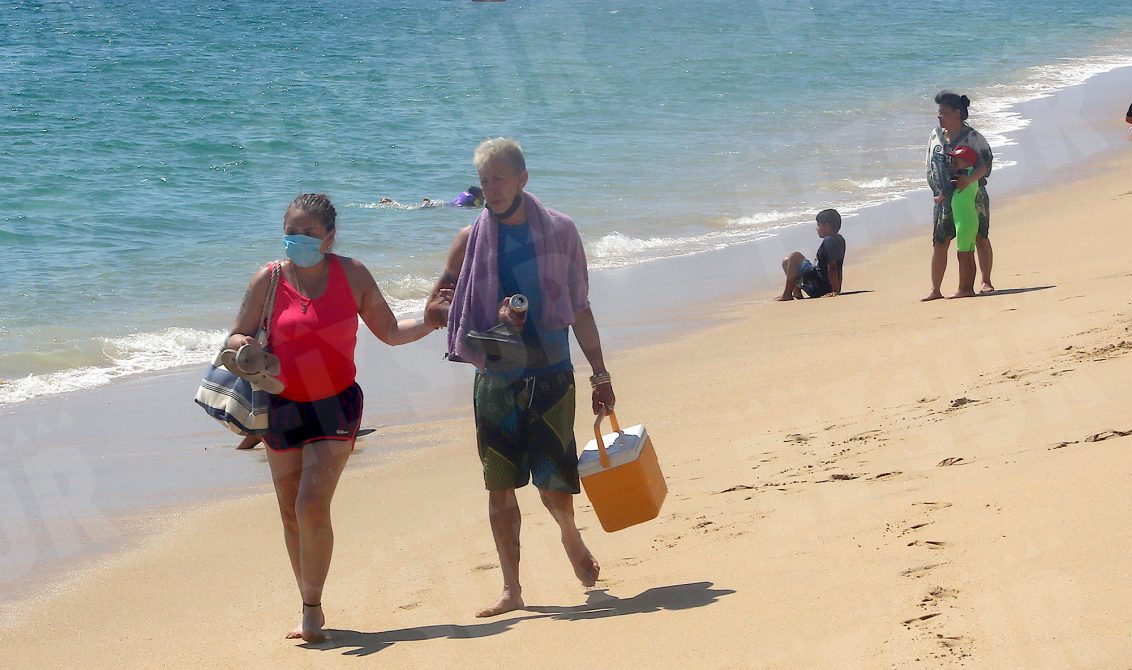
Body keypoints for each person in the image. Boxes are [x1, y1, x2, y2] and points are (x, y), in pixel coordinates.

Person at [226, 193, 440, 642]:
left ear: (330, 237)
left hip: (335, 403)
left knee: (311, 504)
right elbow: (236, 337)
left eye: (309, 233)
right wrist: (244, 353)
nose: (298, 240)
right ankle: (310, 602)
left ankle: (310, 609)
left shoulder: (353, 275)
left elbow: (390, 332)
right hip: (281, 404)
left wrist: (433, 322)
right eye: (292, 232)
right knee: (290, 513)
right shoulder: (268, 279)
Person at [424, 138, 613, 618]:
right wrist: (478, 314)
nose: (491, 190)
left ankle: (569, 533)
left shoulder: (561, 231)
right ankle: (512, 588)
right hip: (495, 376)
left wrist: (600, 374)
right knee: (499, 484)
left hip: (551, 372)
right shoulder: (470, 241)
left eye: (499, 179)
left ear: (522, 179)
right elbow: (437, 304)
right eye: (484, 181)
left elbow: (581, 306)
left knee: (554, 485)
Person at [923, 90, 995, 301]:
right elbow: (929, 162)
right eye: (939, 112)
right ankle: (935, 289)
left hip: (971, 197)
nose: (939, 116)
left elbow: (986, 165)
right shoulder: (935, 135)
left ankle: (986, 281)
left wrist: (969, 180)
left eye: (943, 112)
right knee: (939, 242)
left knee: (980, 237)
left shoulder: (973, 137)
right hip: (943, 198)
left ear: (956, 113)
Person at [775, 209, 845, 301]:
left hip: (821, 287)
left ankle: (787, 294)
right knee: (786, 262)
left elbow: (832, 268)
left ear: (827, 226)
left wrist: (835, 291)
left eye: (819, 225)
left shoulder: (829, 241)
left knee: (794, 256)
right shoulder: (840, 239)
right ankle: (797, 293)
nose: (817, 228)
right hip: (823, 284)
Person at [944, 145, 980, 298]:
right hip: (970, 220)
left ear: (966, 162)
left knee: (963, 255)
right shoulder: (970, 174)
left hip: (964, 222)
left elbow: (950, 185)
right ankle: (968, 288)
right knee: (969, 254)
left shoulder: (964, 176)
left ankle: (963, 288)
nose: (953, 163)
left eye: (956, 160)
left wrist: (940, 196)